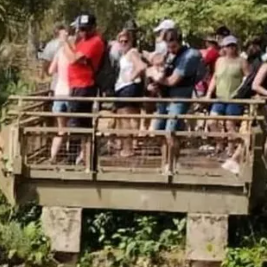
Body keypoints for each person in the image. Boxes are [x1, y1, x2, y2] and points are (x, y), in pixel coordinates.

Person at [150, 28, 205, 173]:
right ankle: (165, 162)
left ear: (179, 42)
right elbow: (158, 71)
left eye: (173, 46)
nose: (171, 49)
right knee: (158, 130)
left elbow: (173, 80)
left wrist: (159, 79)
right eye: (168, 46)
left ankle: (173, 163)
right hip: (164, 98)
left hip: (179, 98)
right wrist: (155, 82)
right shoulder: (166, 54)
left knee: (171, 131)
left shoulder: (190, 56)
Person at [60, 13, 106, 164]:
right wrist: (71, 41)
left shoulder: (95, 42)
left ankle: (72, 158)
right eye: (81, 29)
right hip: (76, 86)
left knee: (76, 123)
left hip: (84, 87)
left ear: (94, 28)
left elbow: (73, 59)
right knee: (81, 123)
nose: (83, 32)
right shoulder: (83, 41)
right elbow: (74, 53)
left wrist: (64, 42)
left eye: (86, 29)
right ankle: (86, 159)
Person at [206, 35, 250, 161]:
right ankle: (220, 143)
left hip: (234, 98)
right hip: (220, 97)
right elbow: (215, 77)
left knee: (230, 123)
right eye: (228, 46)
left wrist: (241, 92)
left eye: (233, 45)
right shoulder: (219, 61)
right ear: (224, 48)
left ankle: (230, 150)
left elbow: (248, 79)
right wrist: (209, 93)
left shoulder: (242, 61)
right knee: (211, 121)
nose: (231, 48)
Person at [113, 29, 147, 157]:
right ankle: (130, 146)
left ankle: (128, 149)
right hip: (122, 88)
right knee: (125, 118)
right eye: (120, 41)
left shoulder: (132, 52)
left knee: (126, 119)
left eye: (125, 41)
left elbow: (141, 66)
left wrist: (131, 78)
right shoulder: (123, 54)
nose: (123, 43)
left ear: (131, 41)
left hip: (128, 88)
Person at [48, 26, 72, 162]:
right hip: (69, 93)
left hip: (59, 92)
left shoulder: (59, 53)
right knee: (70, 127)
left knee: (61, 129)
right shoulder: (72, 53)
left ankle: (53, 156)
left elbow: (51, 70)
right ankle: (70, 154)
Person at [39, 23, 67, 91]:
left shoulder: (50, 45)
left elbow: (46, 62)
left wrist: (43, 73)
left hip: (56, 75)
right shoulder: (70, 43)